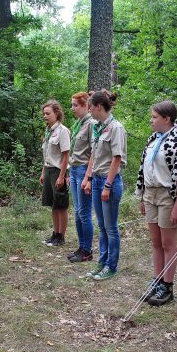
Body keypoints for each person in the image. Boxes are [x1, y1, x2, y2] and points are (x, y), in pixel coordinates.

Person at [135, 100, 177, 305]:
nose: (151, 120)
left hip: (168, 195)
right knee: (156, 242)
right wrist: (142, 196)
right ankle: (157, 280)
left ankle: (167, 286)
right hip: (150, 194)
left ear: (167, 119)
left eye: (154, 117)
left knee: (169, 243)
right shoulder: (152, 140)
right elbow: (144, 169)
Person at [82, 89, 126, 281]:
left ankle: (111, 265)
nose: (89, 111)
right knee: (101, 225)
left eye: (90, 107)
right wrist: (89, 178)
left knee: (111, 227)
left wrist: (107, 186)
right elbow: (94, 155)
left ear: (99, 106)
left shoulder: (116, 128)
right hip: (98, 179)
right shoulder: (98, 127)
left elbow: (117, 159)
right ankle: (102, 261)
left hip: (110, 181)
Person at [67, 92, 94, 262]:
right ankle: (81, 246)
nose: (72, 109)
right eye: (72, 105)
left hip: (84, 170)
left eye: (75, 105)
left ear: (85, 105)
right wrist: (70, 171)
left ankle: (87, 250)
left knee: (84, 213)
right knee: (77, 212)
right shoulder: (78, 124)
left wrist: (88, 176)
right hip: (75, 169)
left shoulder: (91, 124)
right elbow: (73, 150)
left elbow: (94, 152)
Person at [40, 100, 70, 247]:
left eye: (48, 113)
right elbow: (46, 154)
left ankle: (61, 236)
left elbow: (65, 156)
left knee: (61, 204)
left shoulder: (62, 131)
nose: (45, 116)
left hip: (59, 171)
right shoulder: (48, 130)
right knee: (53, 204)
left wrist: (62, 176)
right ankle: (55, 233)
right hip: (49, 170)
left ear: (56, 113)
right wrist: (43, 172)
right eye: (44, 114)